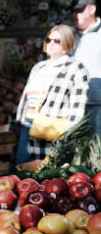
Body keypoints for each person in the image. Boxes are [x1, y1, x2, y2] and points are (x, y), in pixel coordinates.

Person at [15, 25, 89, 163]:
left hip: (51, 132)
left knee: (45, 178)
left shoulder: (76, 69)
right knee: (21, 172)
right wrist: (19, 121)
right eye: (48, 40)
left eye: (57, 41)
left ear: (67, 43)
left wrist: (66, 138)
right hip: (28, 128)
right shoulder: (39, 67)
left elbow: (77, 109)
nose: (50, 44)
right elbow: (25, 99)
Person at [70, 0, 101, 133]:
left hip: (96, 106)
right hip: (69, 105)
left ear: (92, 9)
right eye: (73, 11)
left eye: (79, 10)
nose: (75, 15)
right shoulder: (67, 35)